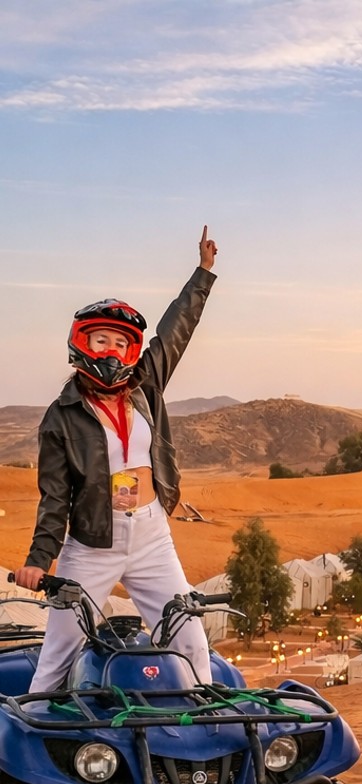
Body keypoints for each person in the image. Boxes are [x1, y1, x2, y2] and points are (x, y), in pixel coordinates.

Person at [14, 226, 219, 691]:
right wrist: (39, 558)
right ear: (82, 343)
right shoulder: (61, 416)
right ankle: (36, 746)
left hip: (150, 535)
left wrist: (202, 274)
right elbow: (53, 497)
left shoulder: (146, 385)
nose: (113, 350)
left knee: (189, 637)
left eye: (121, 343)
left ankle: (208, 730)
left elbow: (174, 332)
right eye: (102, 340)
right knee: (59, 650)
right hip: (91, 544)